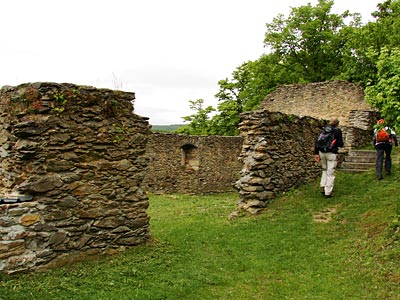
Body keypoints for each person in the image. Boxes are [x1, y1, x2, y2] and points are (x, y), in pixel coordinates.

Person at [314, 118, 344, 198]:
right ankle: (328, 192)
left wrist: (316, 153)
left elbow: (317, 141)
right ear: (337, 124)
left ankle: (323, 186)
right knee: (330, 173)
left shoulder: (323, 129)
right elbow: (341, 143)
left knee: (324, 170)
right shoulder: (337, 131)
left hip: (321, 152)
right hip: (331, 153)